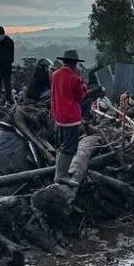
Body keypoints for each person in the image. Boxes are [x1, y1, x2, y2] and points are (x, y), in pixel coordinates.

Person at [50, 50, 87, 186]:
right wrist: (83, 84)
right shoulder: (75, 78)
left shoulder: (54, 75)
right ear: (74, 63)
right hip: (71, 117)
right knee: (70, 147)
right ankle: (61, 175)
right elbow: (80, 97)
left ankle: (59, 172)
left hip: (58, 116)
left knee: (61, 146)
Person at [0, 26, 15, 103]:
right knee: (7, 83)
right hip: (7, 66)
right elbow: (12, 56)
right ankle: (9, 99)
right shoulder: (10, 41)